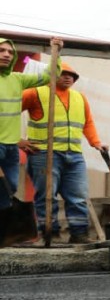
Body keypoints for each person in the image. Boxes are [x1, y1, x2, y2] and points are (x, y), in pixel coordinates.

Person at [19, 62, 107, 243]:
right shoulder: (36, 93)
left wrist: (95, 142)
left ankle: (79, 234)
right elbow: (7, 112)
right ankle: (50, 234)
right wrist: (16, 140)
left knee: (78, 196)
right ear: (52, 74)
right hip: (43, 153)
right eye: (63, 73)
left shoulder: (79, 98)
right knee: (47, 196)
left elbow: (87, 122)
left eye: (72, 75)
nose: (69, 77)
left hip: (74, 155)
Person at [0, 37, 61, 215]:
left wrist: (55, 53)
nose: (6, 55)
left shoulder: (17, 79)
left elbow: (50, 76)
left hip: (10, 146)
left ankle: (3, 230)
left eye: (10, 52)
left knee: (9, 186)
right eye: (2, 50)